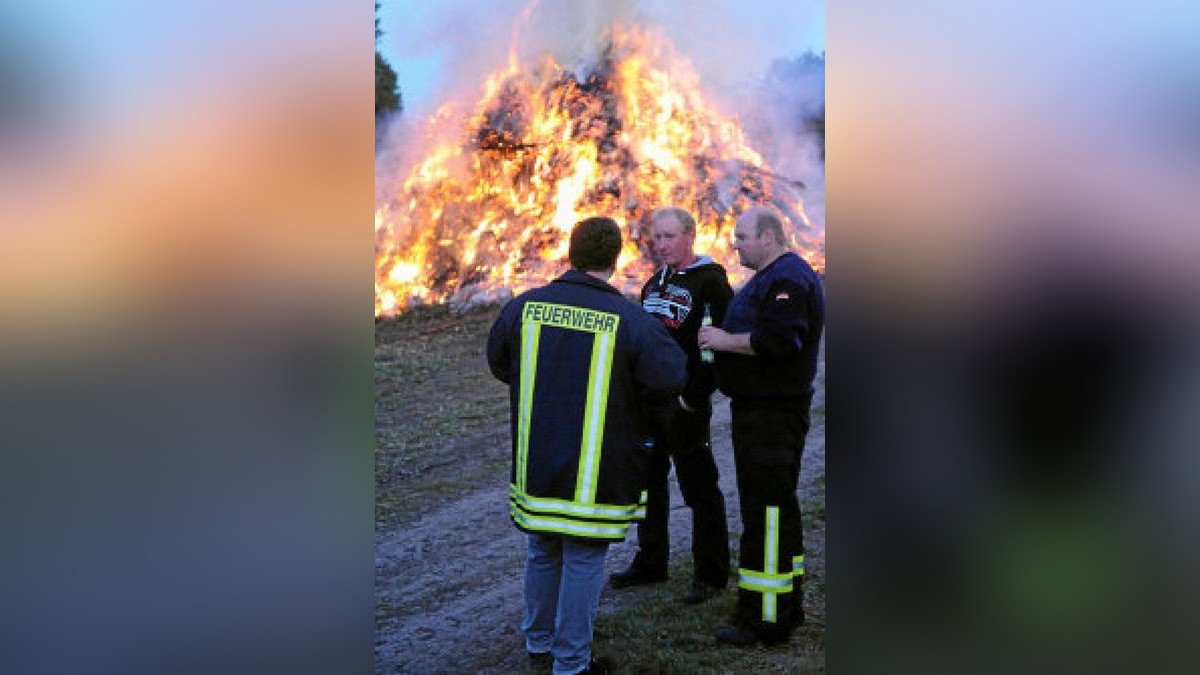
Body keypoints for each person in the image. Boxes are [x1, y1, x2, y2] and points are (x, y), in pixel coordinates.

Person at [487, 216, 687, 675]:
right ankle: (572, 663)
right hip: (594, 470)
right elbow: (669, 376)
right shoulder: (632, 321)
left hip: (536, 461)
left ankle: (538, 644)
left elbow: (500, 363)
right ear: (615, 259)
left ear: (570, 253)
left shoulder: (524, 308)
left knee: (542, 547)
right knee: (582, 556)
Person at [697, 205, 824, 646]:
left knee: (767, 514)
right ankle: (781, 605)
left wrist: (722, 340)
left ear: (769, 237)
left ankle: (766, 619)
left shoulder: (787, 280)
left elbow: (779, 340)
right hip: (759, 412)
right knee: (770, 510)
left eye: (742, 236)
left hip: (772, 416)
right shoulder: (772, 278)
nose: (735, 243)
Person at [608, 207, 733, 604]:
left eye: (669, 236)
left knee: (699, 488)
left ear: (690, 235)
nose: (661, 245)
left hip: (685, 406)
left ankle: (710, 574)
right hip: (649, 406)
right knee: (649, 485)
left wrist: (695, 394)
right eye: (656, 238)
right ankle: (651, 561)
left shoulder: (711, 281)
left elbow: (718, 345)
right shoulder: (652, 286)